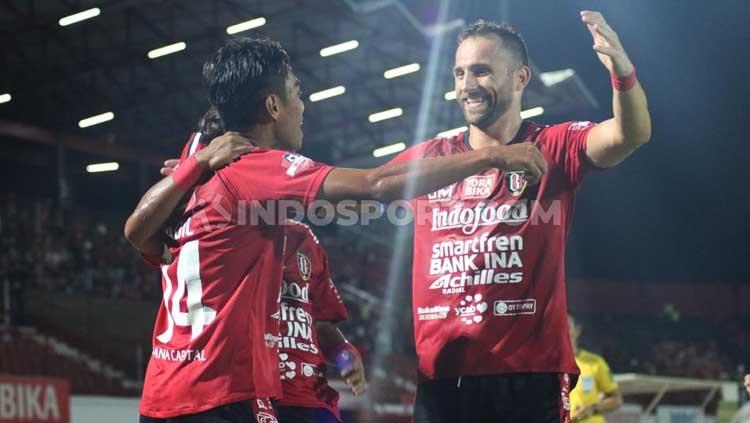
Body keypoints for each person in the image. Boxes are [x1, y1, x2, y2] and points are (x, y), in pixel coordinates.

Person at [124, 36, 530, 423]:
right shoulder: (252, 169)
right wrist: (490, 157)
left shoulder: (189, 189)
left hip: (164, 395)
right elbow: (375, 186)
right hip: (222, 395)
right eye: (296, 92)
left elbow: (137, 232)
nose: (304, 105)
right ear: (273, 106)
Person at [387, 13, 651, 422]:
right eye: (459, 72)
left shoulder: (552, 146)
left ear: (520, 78)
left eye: (481, 71)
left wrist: (623, 73)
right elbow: (364, 186)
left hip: (528, 376)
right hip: (442, 375)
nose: (466, 85)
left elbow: (628, 134)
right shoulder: (431, 159)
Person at [568, 315, 622, 422]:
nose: (563, 331)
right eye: (558, 327)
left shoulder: (595, 362)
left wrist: (591, 409)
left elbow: (616, 399)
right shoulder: (547, 365)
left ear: (577, 330)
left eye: (567, 327)